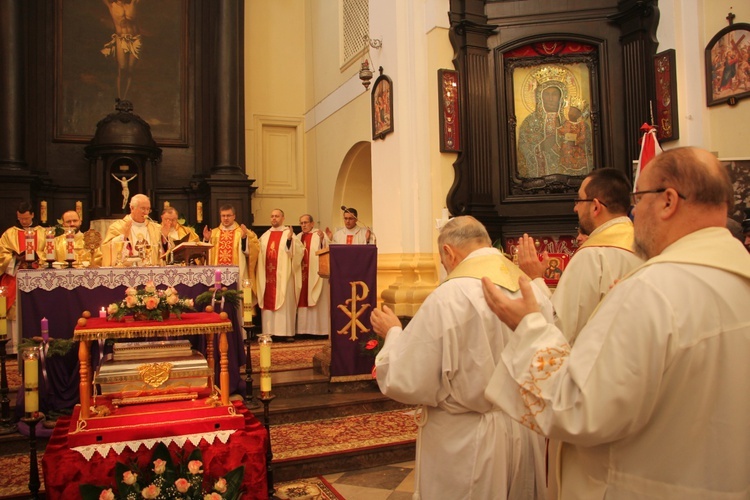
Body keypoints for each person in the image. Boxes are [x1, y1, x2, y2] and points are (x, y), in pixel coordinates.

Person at [482, 147, 750, 499]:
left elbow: (577, 409)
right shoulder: (739, 278)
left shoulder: (652, 291)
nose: (634, 212)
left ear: (668, 201)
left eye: (640, 198)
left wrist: (529, 327)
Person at [371, 216, 552, 500]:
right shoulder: (532, 289)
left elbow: (408, 379)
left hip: (469, 440)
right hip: (524, 430)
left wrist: (393, 333)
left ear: (448, 252)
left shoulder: (449, 296)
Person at [517, 168, 644, 346]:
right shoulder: (645, 247)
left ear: (596, 207)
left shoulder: (593, 255)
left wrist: (536, 279)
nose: (575, 207)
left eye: (579, 200)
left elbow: (559, 329)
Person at [0, 202, 45, 338]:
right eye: (20, 218)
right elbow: (2, 254)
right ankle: (13, 343)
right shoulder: (9, 233)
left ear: (32, 215)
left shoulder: (43, 232)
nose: (24, 221)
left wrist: (38, 257)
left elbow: (50, 251)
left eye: (26, 218)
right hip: (15, 274)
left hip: (38, 274)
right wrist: (16, 258)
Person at [257, 209, 303, 341]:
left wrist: (289, 242)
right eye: (272, 216)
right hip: (267, 276)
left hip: (284, 277)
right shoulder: (265, 236)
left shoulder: (289, 234)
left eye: (277, 216)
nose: (274, 218)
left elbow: (298, 252)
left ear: (283, 218)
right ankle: (269, 332)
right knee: (268, 300)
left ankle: (287, 333)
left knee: (285, 301)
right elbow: (256, 252)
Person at [202, 204, 259, 293]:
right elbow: (205, 255)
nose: (226, 218)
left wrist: (244, 239)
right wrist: (206, 240)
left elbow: (251, 253)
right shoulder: (213, 233)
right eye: (223, 216)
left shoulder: (242, 232)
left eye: (228, 215)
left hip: (237, 274)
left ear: (234, 216)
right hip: (217, 275)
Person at [294, 214, 330, 337]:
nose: (303, 225)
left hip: (316, 274)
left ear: (312, 223)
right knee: (303, 297)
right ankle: (303, 330)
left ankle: (319, 330)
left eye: (305, 223)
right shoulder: (298, 237)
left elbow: (326, 249)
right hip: (302, 273)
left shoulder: (319, 234)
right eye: (301, 223)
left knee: (317, 298)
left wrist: (322, 239)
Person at [102, 193, 163, 265]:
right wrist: (123, 237)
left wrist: (165, 238)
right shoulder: (117, 227)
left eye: (148, 209)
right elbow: (107, 248)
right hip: (127, 272)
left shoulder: (155, 228)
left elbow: (163, 250)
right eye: (143, 208)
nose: (146, 212)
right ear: (132, 208)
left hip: (151, 271)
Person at [101, 0, 141, 99]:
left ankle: (126, 97)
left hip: (135, 39)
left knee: (131, 70)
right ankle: (119, 97)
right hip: (121, 38)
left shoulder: (133, 3)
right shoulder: (112, 5)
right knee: (122, 68)